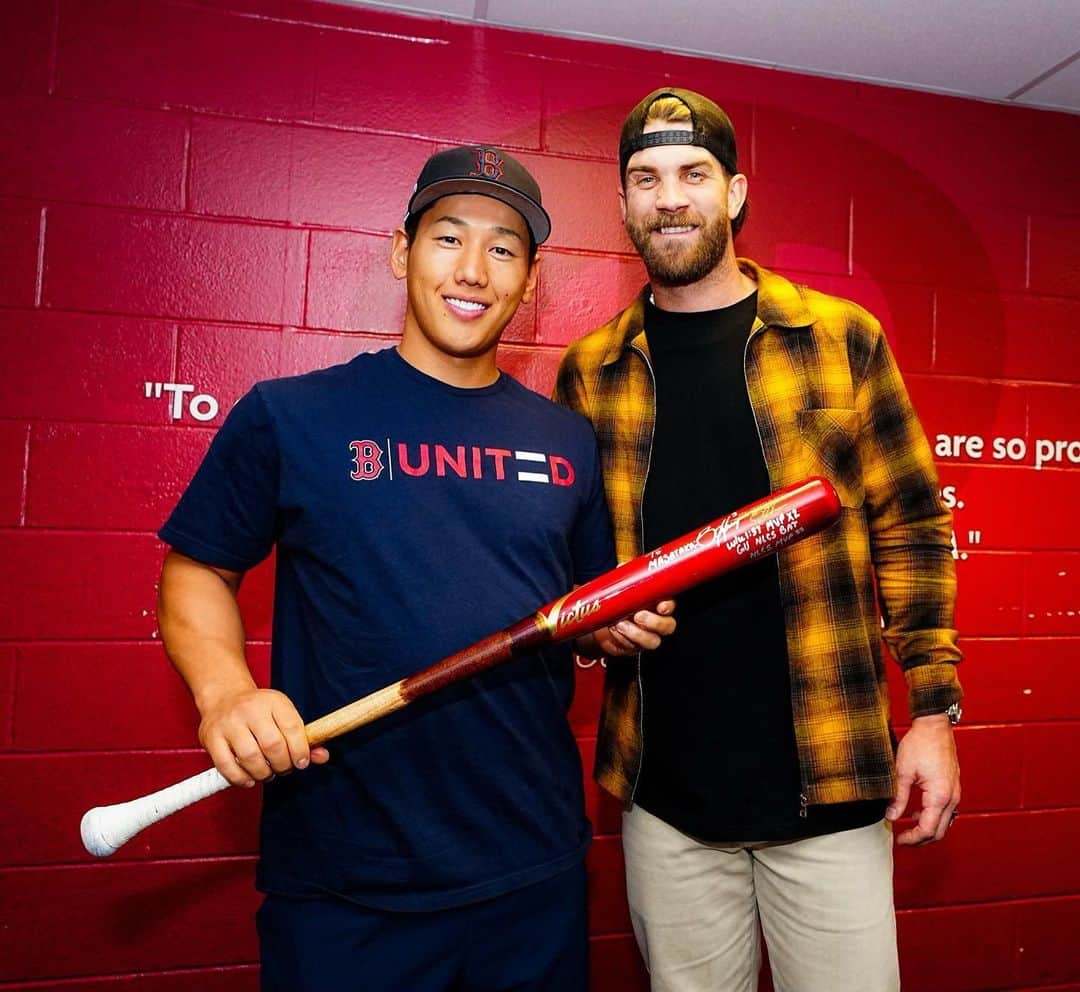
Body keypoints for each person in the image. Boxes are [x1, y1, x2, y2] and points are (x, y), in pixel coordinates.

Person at [156, 145, 675, 992]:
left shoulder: (565, 439)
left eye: (504, 248)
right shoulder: (293, 416)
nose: (473, 270)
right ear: (403, 253)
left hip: (531, 876)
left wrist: (615, 628)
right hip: (344, 887)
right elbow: (195, 570)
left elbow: (585, 610)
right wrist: (226, 693)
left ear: (529, 279)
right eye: (448, 238)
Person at [554, 88, 963, 992]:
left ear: (735, 194)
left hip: (831, 785)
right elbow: (579, 564)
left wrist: (932, 713)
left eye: (694, 174)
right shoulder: (591, 370)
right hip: (666, 798)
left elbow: (914, 527)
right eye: (646, 178)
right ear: (622, 203)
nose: (670, 198)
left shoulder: (840, 340)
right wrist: (598, 622)